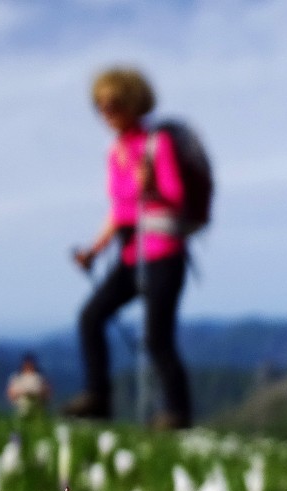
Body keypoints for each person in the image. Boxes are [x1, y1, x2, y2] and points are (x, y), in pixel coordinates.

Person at [64, 66, 193, 430]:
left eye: (113, 104)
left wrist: (150, 185)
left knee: (157, 338)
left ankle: (177, 415)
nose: (106, 113)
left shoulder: (156, 143)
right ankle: (97, 397)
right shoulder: (115, 152)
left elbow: (176, 197)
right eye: (100, 106)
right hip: (130, 255)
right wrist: (94, 249)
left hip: (164, 253)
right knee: (91, 317)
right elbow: (120, 212)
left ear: (132, 102)